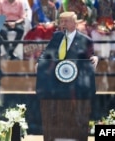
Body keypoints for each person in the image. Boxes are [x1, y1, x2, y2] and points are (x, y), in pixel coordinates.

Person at [35, 11, 98, 141]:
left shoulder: (86, 40)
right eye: (61, 21)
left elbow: (89, 58)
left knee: (76, 115)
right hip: (55, 86)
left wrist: (95, 58)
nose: (62, 24)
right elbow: (47, 53)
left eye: (66, 21)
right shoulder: (56, 36)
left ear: (74, 23)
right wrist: (39, 63)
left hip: (75, 89)